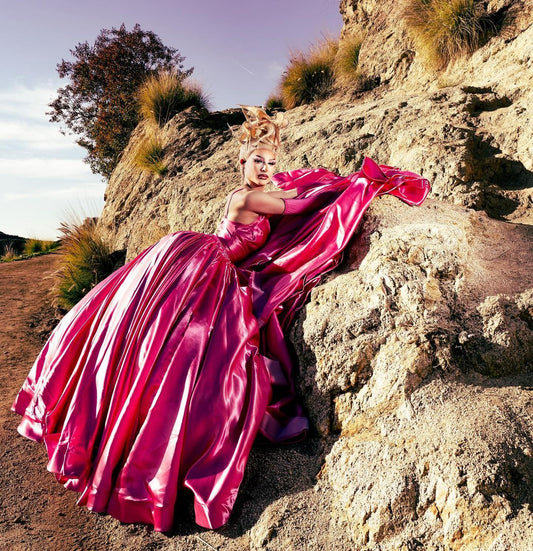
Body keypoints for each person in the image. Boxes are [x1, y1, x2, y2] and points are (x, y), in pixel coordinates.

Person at [11, 106, 430, 532]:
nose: (266, 169)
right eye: (258, 161)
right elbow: (301, 203)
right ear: (241, 162)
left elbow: (286, 199)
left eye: (271, 163)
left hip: (203, 258)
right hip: (207, 264)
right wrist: (356, 185)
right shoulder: (250, 197)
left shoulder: (254, 192)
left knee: (165, 341)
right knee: (195, 350)